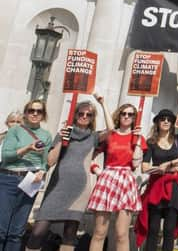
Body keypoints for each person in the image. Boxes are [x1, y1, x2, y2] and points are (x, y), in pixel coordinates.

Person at [26, 98, 114, 251]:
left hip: (80, 190)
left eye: (89, 114)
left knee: (70, 233)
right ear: (75, 115)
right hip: (57, 186)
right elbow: (50, 161)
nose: (85, 116)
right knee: (38, 231)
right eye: (81, 113)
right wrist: (61, 140)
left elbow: (112, 129)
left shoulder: (93, 137)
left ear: (93, 118)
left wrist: (102, 103)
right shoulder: (64, 133)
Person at [87, 103, 147, 251]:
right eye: (123, 113)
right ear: (118, 115)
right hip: (108, 178)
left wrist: (138, 141)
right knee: (100, 232)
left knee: (121, 233)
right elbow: (89, 157)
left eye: (130, 114)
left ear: (134, 118)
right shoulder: (109, 135)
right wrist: (97, 170)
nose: (126, 117)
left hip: (126, 179)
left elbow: (136, 164)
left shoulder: (137, 137)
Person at [135, 109, 178, 251]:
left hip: (174, 188)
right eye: (162, 119)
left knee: (169, 230)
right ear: (157, 122)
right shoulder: (151, 142)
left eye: (169, 119)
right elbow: (144, 167)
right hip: (156, 188)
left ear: (172, 123)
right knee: (153, 229)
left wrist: (170, 164)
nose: (166, 121)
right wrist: (163, 169)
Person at [0, 100, 52, 251]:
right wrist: (28, 148)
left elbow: (44, 162)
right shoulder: (15, 131)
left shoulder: (46, 135)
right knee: (1, 230)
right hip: (8, 179)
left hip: (31, 181)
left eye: (39, 111)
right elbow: (6, 156)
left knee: (17, 232)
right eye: (31, 110)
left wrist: (42, 171)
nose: (35, 114)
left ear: (43, 115)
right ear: (26, 113)